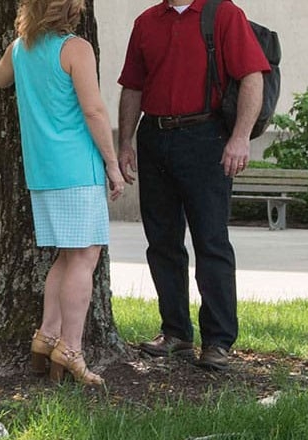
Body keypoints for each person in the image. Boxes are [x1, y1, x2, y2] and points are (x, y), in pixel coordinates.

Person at [118, 0, 269, 370]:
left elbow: (252, 76)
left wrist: (240, 137)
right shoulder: (146, 22)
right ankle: (176, 334)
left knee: (211, 242)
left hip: (206, 137)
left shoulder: (224, 14)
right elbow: (133, 88)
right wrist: (125, 142)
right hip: (154, 137)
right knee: (163, 242)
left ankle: (217, 342)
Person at [0, 0, 124, 386]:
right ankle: (71, 348)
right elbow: (95, 112)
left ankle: (46, 336)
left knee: (68, 256)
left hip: (43, 170)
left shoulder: (19, 49)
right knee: (85, 256)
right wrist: (112, 166)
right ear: (69, 11)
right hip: (76, 168)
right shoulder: (76, 48)